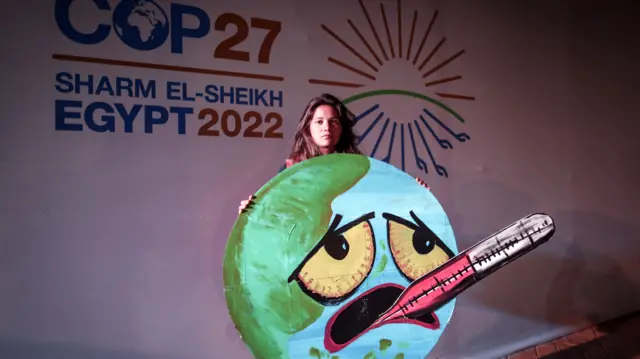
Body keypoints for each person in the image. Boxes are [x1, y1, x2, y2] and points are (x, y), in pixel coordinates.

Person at [238, 93, 429, 214]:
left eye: (333, 122)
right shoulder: (292, 169)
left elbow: (380, 206)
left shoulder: (358, 169)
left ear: (342, 128)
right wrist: (249, 211)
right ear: (307, 128)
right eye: (319, 122)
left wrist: (414, 194)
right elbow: (272, 212)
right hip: (306, 254)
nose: (326, 127)